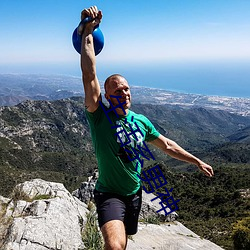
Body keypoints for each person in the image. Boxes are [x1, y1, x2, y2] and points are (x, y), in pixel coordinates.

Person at [79, 6, 214, 250]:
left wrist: (196, 161)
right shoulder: (99, 117)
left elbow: (168, 145)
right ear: (107, 96)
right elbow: (89, 74)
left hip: (134, 194)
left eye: (127, 88)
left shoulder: (141, 121)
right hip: (109, 194)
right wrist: (87, 31)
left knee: (125, 242)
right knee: (114, 246)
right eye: (117, 90)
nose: (124, 92)